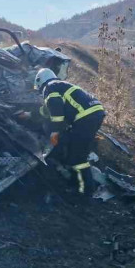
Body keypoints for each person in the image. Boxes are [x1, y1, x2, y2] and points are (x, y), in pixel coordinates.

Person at [33, 68, 106, 196]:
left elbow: (56, 110)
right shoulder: (60, 86)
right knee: (76, 152)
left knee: (77, 158)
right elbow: (47, 109)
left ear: (40, 81)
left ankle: (84, 193)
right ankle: (76, 185)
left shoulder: (49, 87)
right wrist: (30, 114)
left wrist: (55, 131)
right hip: (94, 113)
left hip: (85, 118)